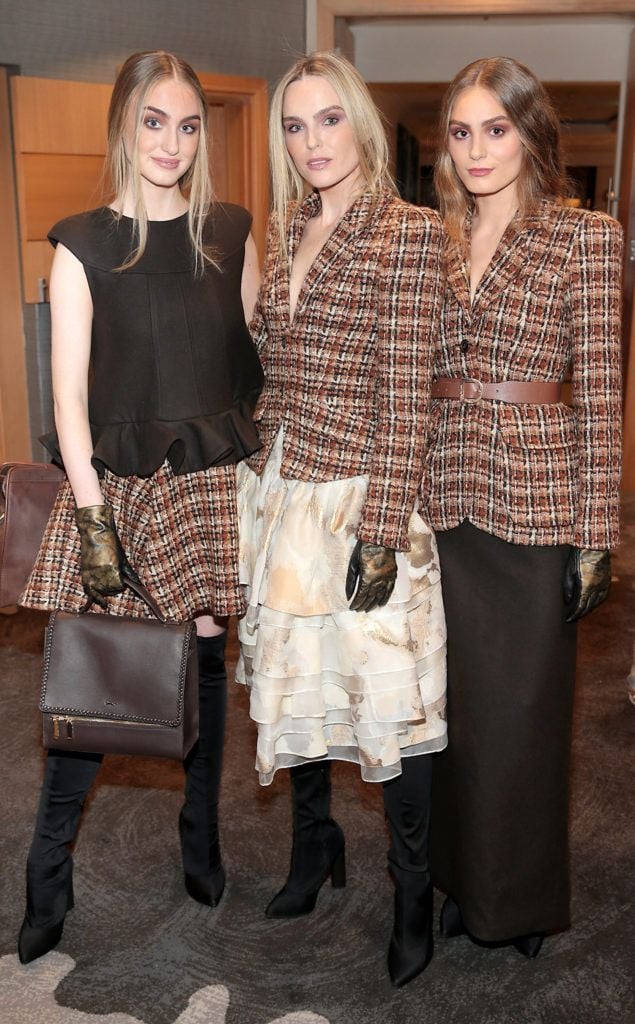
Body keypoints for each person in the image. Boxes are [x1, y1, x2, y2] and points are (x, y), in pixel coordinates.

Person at [17, 50, 263, 964]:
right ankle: (48, 875)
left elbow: (252, 369)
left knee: (203, 673)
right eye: (153, 120)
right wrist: (91, 523)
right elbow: (68, 401)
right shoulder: (81, 242)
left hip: (203, 489)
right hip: (113, 491)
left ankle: (200, 842)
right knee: (95, 687)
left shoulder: (231, 231)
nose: (171, 141)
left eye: (188, 124)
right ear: (124, 123)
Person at [235, 52, 446, 988]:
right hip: (282, 489)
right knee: (299, 686)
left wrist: (383, 529)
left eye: (327, 119)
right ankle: (314, 851)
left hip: (361, 492)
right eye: (293, 124)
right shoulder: (283, 231)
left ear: (358, 122)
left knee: (383, 705)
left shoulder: (407, 232)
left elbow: (407, 392)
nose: (311, 141)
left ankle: (411, 891)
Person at [422, 56, 623, 958]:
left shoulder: (587, 239)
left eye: (495, 129)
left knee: (525, 719)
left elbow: (602, 394)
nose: (476, 150)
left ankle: (522, 901)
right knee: (452, 714)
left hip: (535, 506)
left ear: (531, 134)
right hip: (442, 500)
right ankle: (460, 882)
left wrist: (596, 534)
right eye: (461, 132)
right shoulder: (430, 238)